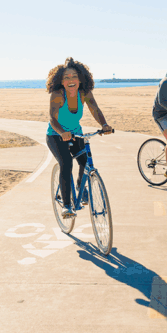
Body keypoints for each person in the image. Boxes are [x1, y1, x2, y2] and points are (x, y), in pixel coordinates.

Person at [46, 58, 114, 219]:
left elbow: (95, 109)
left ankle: (80, 188)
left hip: (76, 133)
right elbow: (52, 118)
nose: (71, 80)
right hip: (56, 135)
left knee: (85, 161)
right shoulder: (57, 95)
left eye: (74, 76)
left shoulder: (84, 93)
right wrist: (62, 132)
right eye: (66, 77)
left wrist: (104, 124)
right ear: (61, 81)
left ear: (80, 78)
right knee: (66, 163)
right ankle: (67, 206)